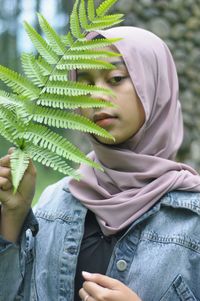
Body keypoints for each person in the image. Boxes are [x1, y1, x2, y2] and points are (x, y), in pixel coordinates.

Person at [1, 26, 200, 301]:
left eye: (116, 78)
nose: (96, 96)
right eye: (84, 84)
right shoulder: (52, 203)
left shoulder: (193, 220)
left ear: (156, 85)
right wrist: (13, 216)